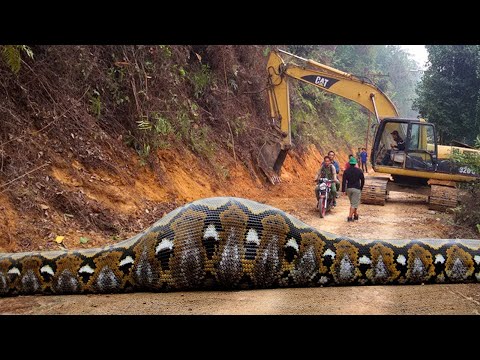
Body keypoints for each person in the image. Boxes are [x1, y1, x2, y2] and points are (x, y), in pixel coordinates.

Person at [342, 157, 365, 222]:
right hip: (356, 189)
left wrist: (343, 190)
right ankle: (349, 217)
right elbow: (363, 180)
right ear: (355, 164)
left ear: (349, 163)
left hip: (349, 189)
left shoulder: (346, 171)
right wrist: (361, 188)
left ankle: (356, 215)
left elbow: (344, 181)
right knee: (354, 204)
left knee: (353, 203)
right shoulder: (359, 171)